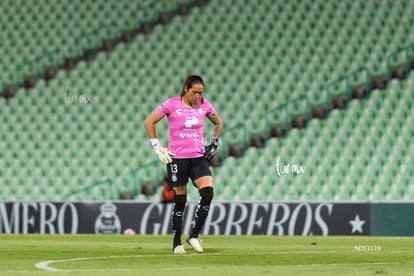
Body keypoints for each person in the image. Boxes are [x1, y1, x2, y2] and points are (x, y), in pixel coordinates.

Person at [143, 74, 223, 254]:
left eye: (201, 93)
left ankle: (193, 235)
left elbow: (218, 123)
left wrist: (214, 142)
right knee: (180, 201)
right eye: (195, 92)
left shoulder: (204, 105)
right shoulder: (171, 104)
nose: (198, 97)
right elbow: (149, 122)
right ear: (186, 88)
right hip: (177, 158)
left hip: (198, 157)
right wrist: (157, 147)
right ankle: (176, 242)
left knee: (208, 193)